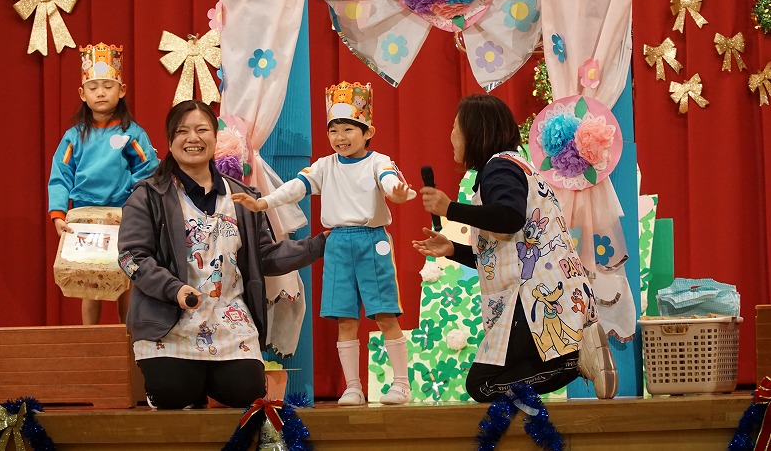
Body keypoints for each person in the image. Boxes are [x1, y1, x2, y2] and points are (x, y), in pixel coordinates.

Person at [117, 99, 328, 409]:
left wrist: (319, 244)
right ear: (170, 142)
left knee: (246, 393)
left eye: (202, 130)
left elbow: (265, 255)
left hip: (230, 320)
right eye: (182, 131)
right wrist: (174, 289)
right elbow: (131, 258)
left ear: (216, 138)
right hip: (168, 323)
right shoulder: (148, 195)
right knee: (174, 393)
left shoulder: (243, 197)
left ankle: (207, 380)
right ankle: (176, 384)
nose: (193, 138)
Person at [411, 93, 617, 401]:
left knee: (483, 385)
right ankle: (575, 359)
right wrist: (452, 249)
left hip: (534, 297)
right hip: (551, 291)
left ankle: (575, 362)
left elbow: (509, 218)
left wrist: (449, 209)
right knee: (502, 376)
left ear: (476, 131)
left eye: (456, 127)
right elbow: (504, 251)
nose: (451, 135)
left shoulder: (499, 169)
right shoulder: (515, 166)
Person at [232, 81, 416, 406]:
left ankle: (401, 384)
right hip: (337, 244)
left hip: (372, 242)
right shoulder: (324, 166)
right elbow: (296, 187)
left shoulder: (379, 161)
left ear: (368, 131)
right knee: (345, 318)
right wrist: (264, 203)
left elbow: (390, 182)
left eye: (348, 129)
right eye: (334, 130)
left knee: (385, 313)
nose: (340, 137)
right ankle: (353, 387)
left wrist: (397, 192)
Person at [48, 42, 159, 325]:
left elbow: (148, 169)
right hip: (83, 217)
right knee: (89, 278)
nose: (100, 92)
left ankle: (127, 337)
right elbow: (60, 174)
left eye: (108, 86)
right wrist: (58, 214)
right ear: (82, 94)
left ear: (121, 90)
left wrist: (131, 200)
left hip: (123, 216)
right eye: (94, 87)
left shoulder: (132, 133)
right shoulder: (74, 137)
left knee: (125, 276)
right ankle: (90, 340)